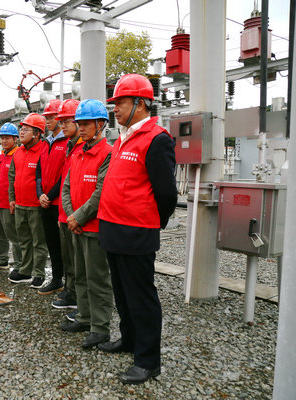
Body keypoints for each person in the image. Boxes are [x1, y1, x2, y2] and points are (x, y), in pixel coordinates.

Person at [97, 74, 177, 384]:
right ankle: (129, 339)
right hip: (113, 228)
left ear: (141, 104)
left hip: (136, 232)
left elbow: (166, 194)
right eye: (114, 103)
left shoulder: (156, 139)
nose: (115, 108)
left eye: (120, 102)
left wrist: (153, 222)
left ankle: (148, 360)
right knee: (122, 293)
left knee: (141, 297)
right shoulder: (122, 139)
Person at [60, 99, 113, 350]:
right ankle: (84, 316)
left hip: (94, 228)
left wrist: (77, 217)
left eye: (86, 124)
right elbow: (67, 187)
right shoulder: (78, 153)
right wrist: (73, 217)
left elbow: (101, 192)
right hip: (77, 226)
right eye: (79, 123)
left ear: (100, 124)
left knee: (97, 279)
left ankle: (100, 328)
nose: (80, 128)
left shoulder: (108, 153)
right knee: (80, 275)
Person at [35, 100, 72, 295]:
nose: (48, 120)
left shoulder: (67, 142)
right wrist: (40, 194)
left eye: (51, 117)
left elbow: (65, 175)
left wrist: (48, 196)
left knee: (65, 247)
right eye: (46, 117)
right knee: (51, 243)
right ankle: (57, 278)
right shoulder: (46, 142)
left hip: (59, 203)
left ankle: (70, 284)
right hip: (45, 202)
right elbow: (38, 171)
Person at [7, 113, 49, 288]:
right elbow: (12, 177)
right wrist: (12, 198)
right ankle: (25, 271)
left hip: (36, 206)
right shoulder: (18, 152)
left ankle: (38, 273)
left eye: (26, 129)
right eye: (21, 129)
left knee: (39, 242)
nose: (21, 132)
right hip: (20, 205)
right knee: (23, 240)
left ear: (37, 133)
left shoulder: (44, 151)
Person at [51, 99, 83, 316]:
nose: (62, 125)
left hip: (77, 215)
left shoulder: (83, 147)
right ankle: (70, 291)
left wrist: (75, 214)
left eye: (66, 121)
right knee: (69, 258)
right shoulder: (69, 147)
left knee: (80, 261)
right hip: (65, 213)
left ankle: (81, 299)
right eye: (60, 121)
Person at [0, 123, 22, 270]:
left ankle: (20, 265)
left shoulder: (18, 155)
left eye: (7, 138)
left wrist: (14, 200)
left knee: (14, 236)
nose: (4, 141)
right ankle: (2, 259)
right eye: (2, 138)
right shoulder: (2, 156)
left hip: (9, 203)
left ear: (15, 139)